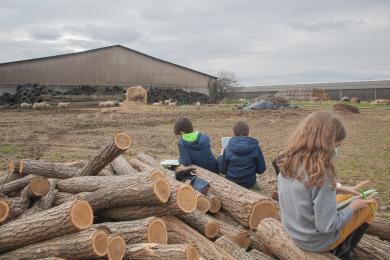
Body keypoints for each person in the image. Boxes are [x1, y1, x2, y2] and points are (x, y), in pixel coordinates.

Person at [276, 111, 377, 259]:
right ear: (325, 144)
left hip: (294, 232)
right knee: (371, 205)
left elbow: (305, 190)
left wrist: (341, 188)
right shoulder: (322, 174)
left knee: (347, 197)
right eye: (337, 144)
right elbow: (326, 227)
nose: (337, 149)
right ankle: (342, 251)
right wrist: (352, 208)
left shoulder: (287, 160)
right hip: (316, 241)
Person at [218, 121, 266, 188]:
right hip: (249, 183)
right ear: (248, 132)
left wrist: (221, 156)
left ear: (234, 133)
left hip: (232, 182)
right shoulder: (256, 147)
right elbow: (261, 170)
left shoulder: (227, 148)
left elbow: (223, 171)